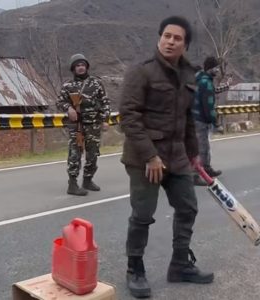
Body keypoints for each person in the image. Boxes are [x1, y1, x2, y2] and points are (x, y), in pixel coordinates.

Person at [119, 16, 213, 298]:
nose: (170, 41)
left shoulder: (189, 74)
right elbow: (128, 118)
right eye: (167, 36)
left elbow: (187, 118)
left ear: (185, 44)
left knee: (188, 207)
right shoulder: (141, 72)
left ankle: (180, 265)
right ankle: (135, 269)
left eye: (177, 38)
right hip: (144, 158)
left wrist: (194, 154)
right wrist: (150, 156)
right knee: (143, 215)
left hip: (177, 156)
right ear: (159, 38)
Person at [56, 53, 110, 196]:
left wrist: (105, 120)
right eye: (77, 66)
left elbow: (105, 102)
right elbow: (60, 102)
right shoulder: (68, 86)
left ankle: (88, 179)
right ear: (73, 68)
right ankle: (72, 184)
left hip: (93, 124)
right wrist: (68, 108)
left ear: (86, 67)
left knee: (92, 153)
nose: (80, 68)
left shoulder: (96, 83)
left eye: (83, 65)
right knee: (75, 153)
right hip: (76, 125)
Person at [191, 56, 232, 186]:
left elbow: (213, 91)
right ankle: (195, 174)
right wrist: (216, 124)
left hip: (196, 117)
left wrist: (226, 86)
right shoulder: (206, 82)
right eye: (215, 68)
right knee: (202, 147)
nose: (217, 71)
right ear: (209, 69)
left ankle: (207, 169)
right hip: (200, 119)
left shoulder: (201, 79)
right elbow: (208, 107)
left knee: (204, 146)